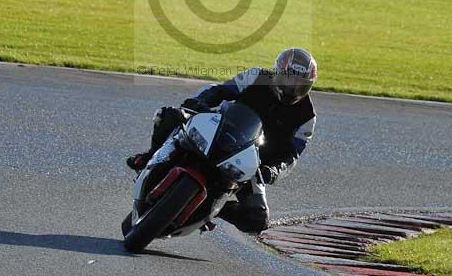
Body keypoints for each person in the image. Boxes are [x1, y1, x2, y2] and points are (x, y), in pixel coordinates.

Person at [127, 47, 318, 232]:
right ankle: (149, 157)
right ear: (277, 71)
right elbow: (221, 90)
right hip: (220, 129)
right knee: (168, 115)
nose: (293, 88)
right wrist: (198, 103)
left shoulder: (307, 117)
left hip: (251, 163)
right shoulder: (257, 77)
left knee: (258, 219)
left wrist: (273, 170)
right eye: (289, 79)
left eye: (301, 84)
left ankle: (212, 211)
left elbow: (292, 155)